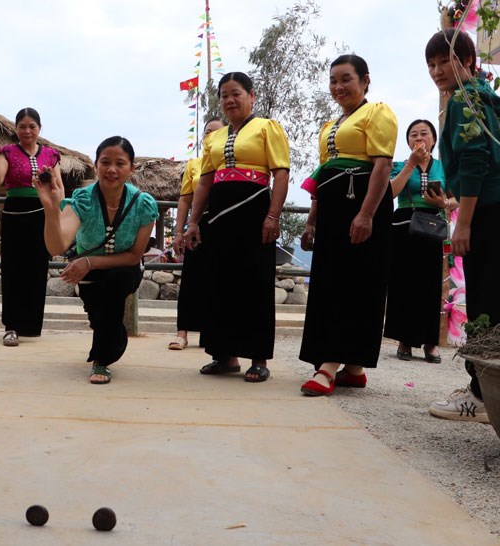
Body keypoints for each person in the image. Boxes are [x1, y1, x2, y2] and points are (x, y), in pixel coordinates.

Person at [298, 54, 397, 396]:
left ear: (365, 80)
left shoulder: (377, 112)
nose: (338, 87)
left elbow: (382, 166)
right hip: (332, 209)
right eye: (333, 81)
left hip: (362, 206)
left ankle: (328, 365)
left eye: (346, 79)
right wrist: (311, 221)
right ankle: (353, 367)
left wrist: (367, 214)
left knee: (354, 282)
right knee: (330, 279)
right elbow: (322, 175)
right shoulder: (330, 126)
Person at [184, 72, 290, 383]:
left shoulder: (267, 128)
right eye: (224, 95)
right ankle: (224, 356)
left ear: (251, 96)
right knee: (219, 283)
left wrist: (273, 215)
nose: (230, 100)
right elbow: (204, 181)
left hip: (254, 212)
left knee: (254, 283)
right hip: (218, 216)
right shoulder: (214, 138)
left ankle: (258, 358)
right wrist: (193, 221)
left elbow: (280, 174)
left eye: (236, 94)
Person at [35, 136, 158, 384]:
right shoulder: (82, 200)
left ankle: (100, 360)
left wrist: (89, 262)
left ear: (131, 168)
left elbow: (135, 256)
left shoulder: (143, 204)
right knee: (99, 316)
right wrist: (50, 209)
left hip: (125, 268)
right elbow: (57, 245)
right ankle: (115, 338)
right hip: (88, 273)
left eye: (120, 163)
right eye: (106, 162)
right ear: (96, 164)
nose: (112, 169)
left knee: (113, 290)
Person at [425, 29, 498, 423]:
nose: (437, 71)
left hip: (485, 214)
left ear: (468, 60)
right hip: (491, 209)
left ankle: (480, 394)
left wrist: (463, 223)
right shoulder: (487, 96)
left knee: (485, 304)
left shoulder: (463, 101)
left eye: (444, 61)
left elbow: (475, 164)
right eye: (431, 64)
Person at [0, 108, 60, 347]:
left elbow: (60, 190)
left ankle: (31, 325)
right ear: (16, 129)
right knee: (13, 269)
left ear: (39, 129)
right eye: (22, 126)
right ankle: (11, 326)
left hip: (42, 214)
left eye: (32, 126)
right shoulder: (8, 151)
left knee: (37, 269)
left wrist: (52, 194)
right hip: (14, 215)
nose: (27, 131)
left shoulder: (51, 155)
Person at [384, 120, 457, 363]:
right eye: (413, 134)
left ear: (433, 139)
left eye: (424, 133)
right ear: (407, 142)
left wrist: (444, 204)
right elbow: (391, 192)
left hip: (432, 226)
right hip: (404, 223)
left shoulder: (443, 167)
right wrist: (411, 164)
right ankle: (404, 340)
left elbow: (456, 196)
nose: (419, 138)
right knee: (403, 282)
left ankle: (430, 342)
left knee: (429, 284)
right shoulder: (398, 165)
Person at [168, 117, 225, 351]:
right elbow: (185, 199)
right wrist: (179, 231)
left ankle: (212, 335)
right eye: (207, 132)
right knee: (191, 278)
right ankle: (182, 332)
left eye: (216, 132)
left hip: (223, 225)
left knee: (218, 280)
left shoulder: (229, 164)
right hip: (197, 226)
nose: (210, 136)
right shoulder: (194, 164)